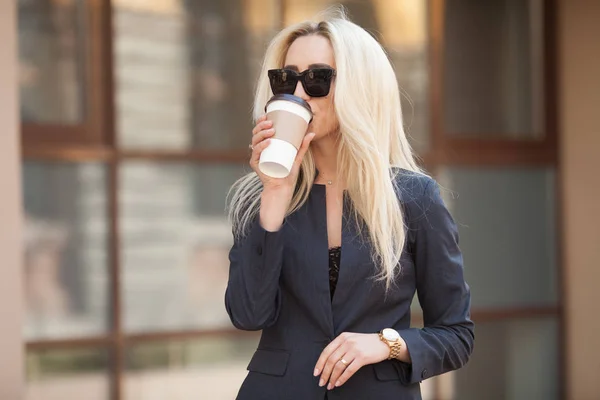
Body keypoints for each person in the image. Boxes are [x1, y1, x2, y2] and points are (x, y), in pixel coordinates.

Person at [225, 8, 474, 400]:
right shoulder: (260, 197)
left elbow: (457, 334)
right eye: (286, 79)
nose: (299, 93)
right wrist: (275, 192)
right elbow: (248, 314)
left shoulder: (413, 197)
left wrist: (384, 343)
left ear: (360, 89)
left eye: (317, 79)